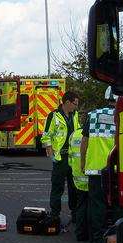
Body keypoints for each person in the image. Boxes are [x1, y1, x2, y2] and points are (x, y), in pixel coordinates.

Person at [81, 86, 117, 243]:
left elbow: (84, 142)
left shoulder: (93, 115)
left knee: (97, 204)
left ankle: (97, 239)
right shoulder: (122, 114)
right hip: (115, 169)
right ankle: (120, 237)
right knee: (118, 204)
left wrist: (82, 163)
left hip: (95, 169)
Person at [41, 91, 80, 229]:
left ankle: (75, 214)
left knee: (74, 187)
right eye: (75, 104)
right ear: (67, 102)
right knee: (57, 187)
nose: (76, 107)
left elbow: (78, 132)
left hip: (73, 158)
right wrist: (51, 153)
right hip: (60, 158)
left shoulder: (75, 115)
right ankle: (55, 214)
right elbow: (46, 136)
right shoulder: (54, 116)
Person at [68, 111, 89, 241]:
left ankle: (80, 232)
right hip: (89, 173)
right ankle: (89, 232)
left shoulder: (73, 135)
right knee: (92, 205)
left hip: (77, 175)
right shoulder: (91, 134)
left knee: (80, 204)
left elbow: (70, 158)